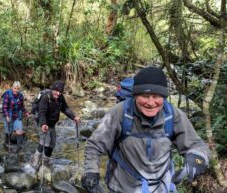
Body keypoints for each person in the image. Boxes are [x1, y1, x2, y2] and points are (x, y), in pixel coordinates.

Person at [82, 67, 210, 193]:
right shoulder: (119, 113)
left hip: (161, 188)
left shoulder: (173, 116)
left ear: (164, 97)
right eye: (145, 96)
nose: (151, 102)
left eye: (156, 96)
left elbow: (196, 145)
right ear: (135, 95)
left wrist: (196, 159)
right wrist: (91, 172)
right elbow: (95, 145)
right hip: (123, 188)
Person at [30, 80, 80, 169]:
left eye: (60, 92)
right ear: (52, 89)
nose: (58, 93)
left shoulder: (61, 98)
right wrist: (43, 124)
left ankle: (45, 161)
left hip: (52, 124)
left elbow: (65, 109)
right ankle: (36, 158)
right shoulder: (46, 97)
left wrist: (74, 117)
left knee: (52, 144)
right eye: (56, 91)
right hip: (42, 122)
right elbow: (42, 113)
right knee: (46, 141)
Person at [2, 81, 29, 152]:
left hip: (17, 116)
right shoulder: (7, 94)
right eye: (15, 88)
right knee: (9, 132)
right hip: (9, 116)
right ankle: (6, 143)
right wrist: (7, 116)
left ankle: (19, 148)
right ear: (12, 87)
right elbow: (4, 107)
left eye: (18, 89)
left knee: (19, 131)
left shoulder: (20, 96)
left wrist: (25, 112)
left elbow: (22, 106)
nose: (16, 90)